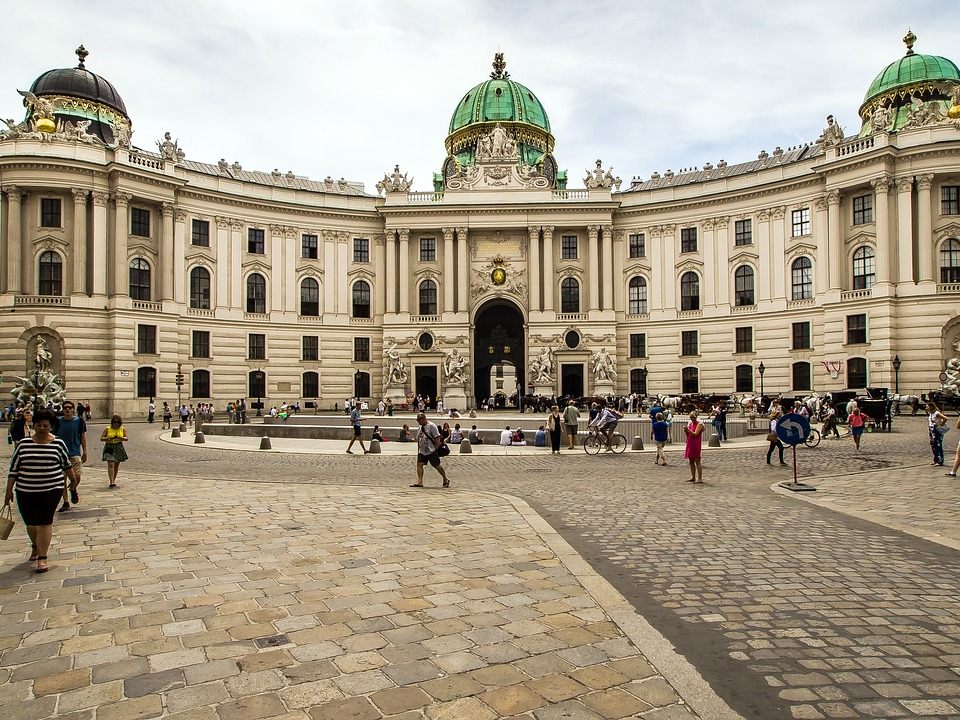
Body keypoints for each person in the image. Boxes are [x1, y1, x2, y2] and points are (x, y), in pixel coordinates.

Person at [5, 409, 76, 573]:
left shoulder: (58, 443)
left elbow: (66, 464)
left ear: (51, 427)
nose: (42, 428)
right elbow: (14, 470)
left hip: (52, 489)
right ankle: (35, 545)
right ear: (33, 425)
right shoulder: (24, 444)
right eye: (39, 425)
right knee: (31, 523)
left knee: (45, 521)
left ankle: (42, 558)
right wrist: (8, 491)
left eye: (46, 425)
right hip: (26, 490)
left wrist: (73, 481)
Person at [55, 401, 87, 513]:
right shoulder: (58, 422)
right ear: (63, 410)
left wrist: (85, 451)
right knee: (62, 479)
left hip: (75, 453)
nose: (67, 410)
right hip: (61, 455)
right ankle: (66, 502)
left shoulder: (79, 421)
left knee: (77, 476)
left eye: (69, 408)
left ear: (73, 409)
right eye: (65, 408)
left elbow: (82, 437)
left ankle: (73, 488)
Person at [410, 412, 450, 488]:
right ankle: (420, 481)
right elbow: (419, 437)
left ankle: (445, 478)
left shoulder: (432, 426)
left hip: (431, 449)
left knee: (437, 465)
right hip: (422, 450)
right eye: (418, 420)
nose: (418, 422)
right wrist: (418, 448)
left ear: (424, 419)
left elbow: (437, 437)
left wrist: (436, 448)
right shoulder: (420, 427)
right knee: (419, 464)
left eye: (420, 420)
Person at [100, 414, 129, 488]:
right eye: (115, 422)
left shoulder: (122, 429)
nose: (116, 424)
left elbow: (126, 438)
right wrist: (108, 438)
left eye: (118, 422)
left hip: (118, 446)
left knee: (116, 465)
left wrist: (121, 437)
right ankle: (111, 481)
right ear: (112, 422)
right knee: (111, 464)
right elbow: (102, 438)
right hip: (109, 446)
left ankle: (113, 479)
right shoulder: (107, 429)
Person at [683, 411, 704, 482]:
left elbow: (695, 434)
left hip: (696, 443)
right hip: (690, 442)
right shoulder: (690, 424)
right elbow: (688, 435)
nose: (692, 419)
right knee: (691, 461)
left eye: (693, 417)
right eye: (691, 417)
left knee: (697, 461)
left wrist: (688, 430)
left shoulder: (699, 424)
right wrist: (686, 431)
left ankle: (700, 478)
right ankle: (693, 477)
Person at [927, 401, 949, 466]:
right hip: (931, 430)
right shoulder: (931, 413)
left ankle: (940, 460)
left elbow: (945, 418)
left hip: (936, 430)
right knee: (933, 445)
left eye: (927, 406)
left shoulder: (937, 413)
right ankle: (935, 459)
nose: (926, 407)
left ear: (931, 406)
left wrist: (941, 425)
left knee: (938, 445)